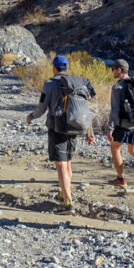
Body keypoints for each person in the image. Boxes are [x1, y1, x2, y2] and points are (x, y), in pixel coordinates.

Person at [26, 55, 94, 215]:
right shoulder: (78, 82)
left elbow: (42, 108)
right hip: (76, 126)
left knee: (61, 164)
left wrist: (31, 116)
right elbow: (85, 108)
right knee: (68, 162)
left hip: (57, 127)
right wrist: (89, 130)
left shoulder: (50, 84)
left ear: (54, 68)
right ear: (67, 67)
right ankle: (64, 192)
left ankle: (68, 203)